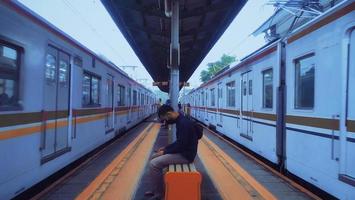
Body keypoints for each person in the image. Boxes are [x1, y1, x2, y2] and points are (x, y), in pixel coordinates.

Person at [145, 104, 198, 200]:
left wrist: (164, 152)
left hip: (186, 156)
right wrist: (165, 148)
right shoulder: (181, 120)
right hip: (184, 152)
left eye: (165, 119)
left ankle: (158, 194)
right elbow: (180, 142)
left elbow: (181, 145)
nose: (165, 121)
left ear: (169, 114)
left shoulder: (183, 123)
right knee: (154, 157)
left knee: (154, 163)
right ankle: (155, 188)